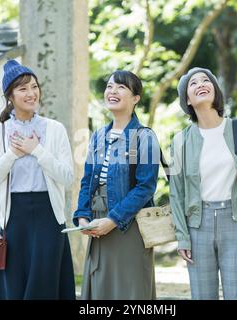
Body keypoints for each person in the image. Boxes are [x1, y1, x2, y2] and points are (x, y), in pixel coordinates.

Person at [169, 67, 237, 300]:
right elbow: (176, 194)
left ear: (215, 91)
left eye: (206, 80)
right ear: (187, 99)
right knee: (202, 296)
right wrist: (182, 237)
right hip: (198, 225)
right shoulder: (179, 141)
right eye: (193, 84)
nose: (201, 84)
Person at [0, 59, 75, 299]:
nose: (31, 93)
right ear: (10, 96)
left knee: (45, 284)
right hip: (15, 218)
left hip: (49, 216)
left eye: (34, 87)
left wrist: (37, 150)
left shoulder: (55, 129)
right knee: (14, 286)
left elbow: (67, 176)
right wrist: (12, 153)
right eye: (23, 89)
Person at [73, 70, 160, 299]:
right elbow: (87, 180)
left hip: (128, 225)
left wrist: (113, 220)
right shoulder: (98, 136)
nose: (113, 91)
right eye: (110, 86)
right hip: (96, 224)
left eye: (121, 87)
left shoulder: (145, 137)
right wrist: (82, 217)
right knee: (100, 291)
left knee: (130, 290)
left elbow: (146, 187)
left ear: (136, 98)